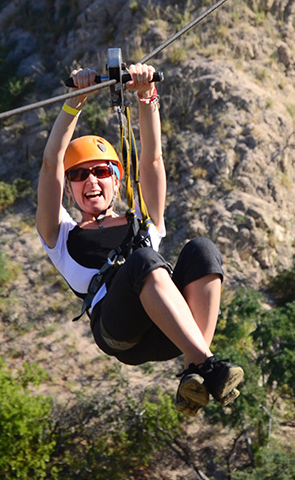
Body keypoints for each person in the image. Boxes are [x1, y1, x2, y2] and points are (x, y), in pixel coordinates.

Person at [36, 63, 243, 416]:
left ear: (117, 181)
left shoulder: (143, 220)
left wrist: (147, 97)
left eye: (102, 172)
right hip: (118, 331)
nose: (92, 181)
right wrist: (75, 102)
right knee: (142, 261)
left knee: (202, 250)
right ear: (69, 189)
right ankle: (207, 367)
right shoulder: (60, 234)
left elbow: (152, 159)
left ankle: (194, 373)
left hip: (167, 330)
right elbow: (51, 164)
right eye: (80, 175)